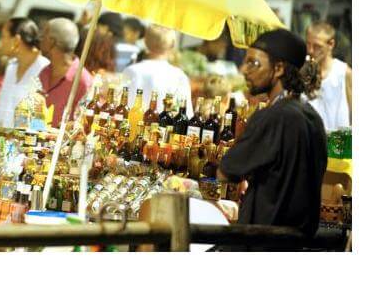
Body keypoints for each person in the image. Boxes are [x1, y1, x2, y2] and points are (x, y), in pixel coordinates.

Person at [218, 28, 327, 241]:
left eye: (253, 63)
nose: (243, 69)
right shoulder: (312, 117)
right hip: (295, 243)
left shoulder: (272, 117)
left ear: (278, 69)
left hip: (260, 240)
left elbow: (226, 172)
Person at [121, 25, 193, 117]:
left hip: (129, 127)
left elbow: (120, 104)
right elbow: (186, 115)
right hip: (162, 129)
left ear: (145, 42)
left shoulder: (131, 70)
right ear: (172, 45)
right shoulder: (179, 76)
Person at [0, 18, 50, 128]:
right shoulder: (10, 67)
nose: (0, 42)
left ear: (17, 40)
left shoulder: (44, 68)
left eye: (4, 37)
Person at [39, 18, 93, 126]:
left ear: (52, 41)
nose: (40, 40)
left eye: (43, 36)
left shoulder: (82, 80)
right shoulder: (44, 72)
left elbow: (85, 123)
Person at [305, 21, 352, 130]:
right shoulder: (304, 72)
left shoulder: (343, 72)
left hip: (338, 142)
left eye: (317, 46)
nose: (310, 50)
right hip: (312, 141)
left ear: (331, 44)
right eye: (308, 44)